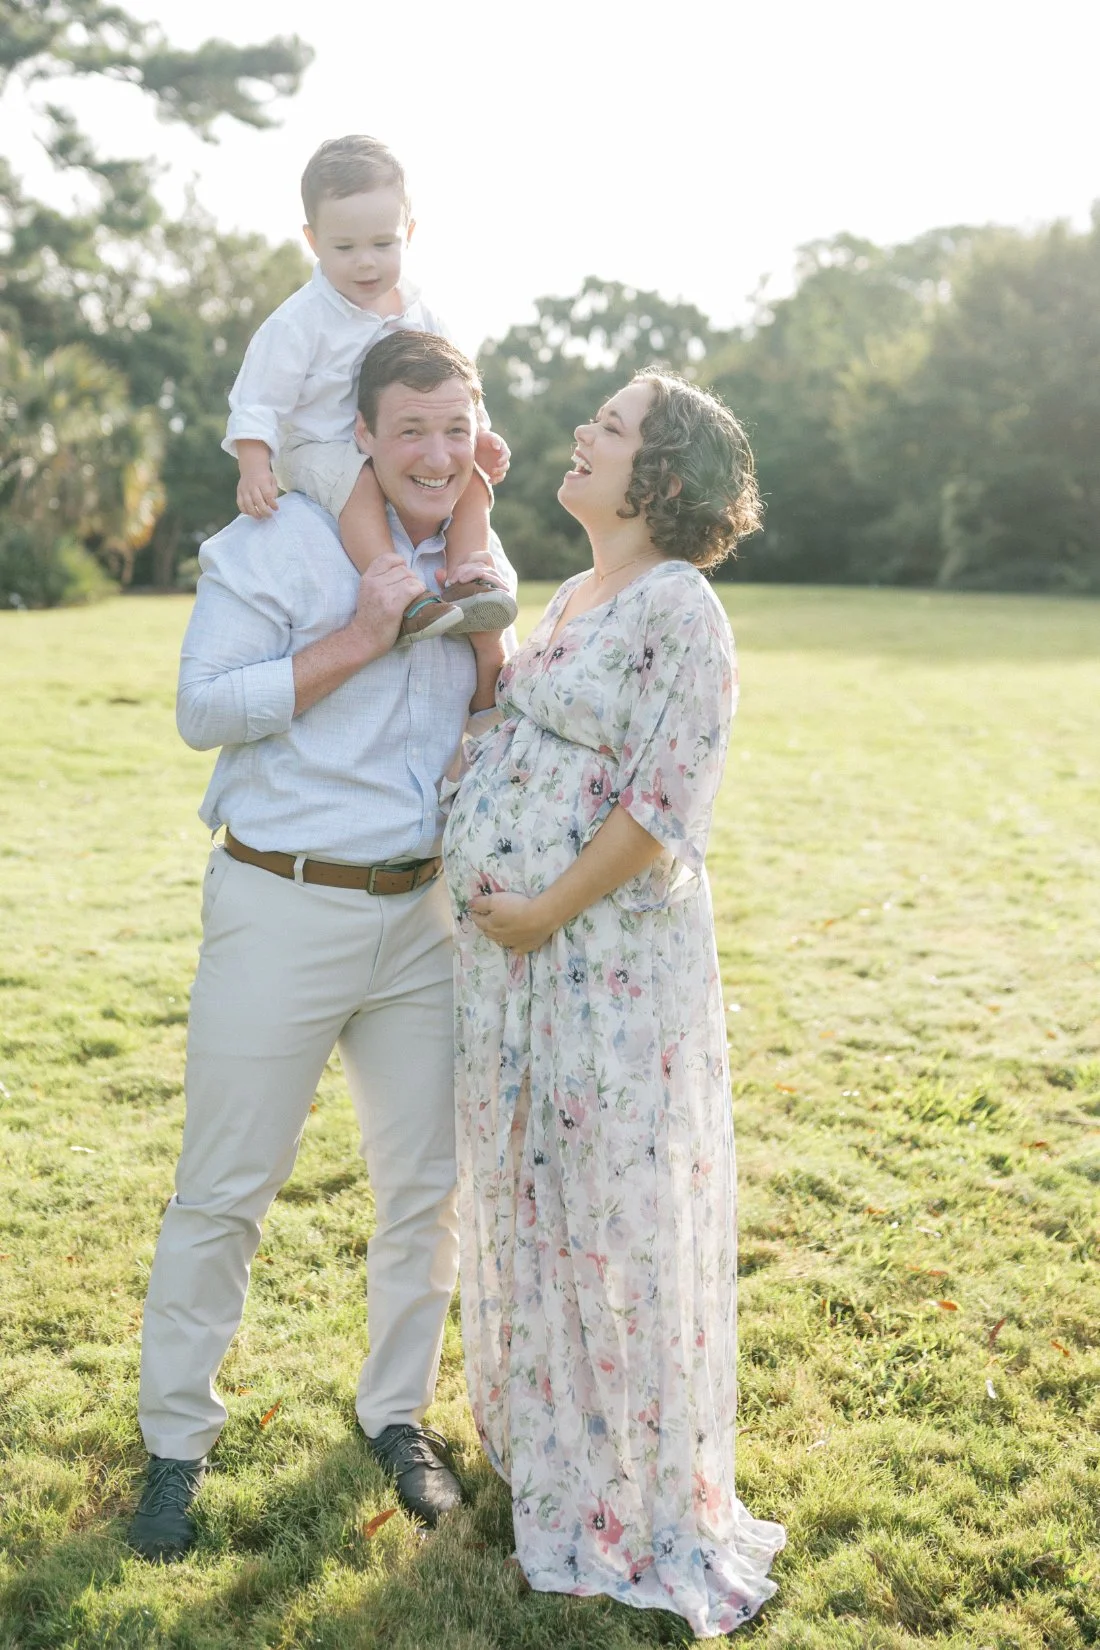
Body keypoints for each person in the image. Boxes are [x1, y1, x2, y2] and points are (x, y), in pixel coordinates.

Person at [128, 331, 515, 1563]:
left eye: (455, 428)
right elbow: (201, 708)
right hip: (281, 903)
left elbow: (487, 719)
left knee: (424, 1189)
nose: (435, 454)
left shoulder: (476, 558)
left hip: (423, 919)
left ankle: (395, 1416)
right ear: (360, 434)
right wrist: (357, 634)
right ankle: (175, 1445)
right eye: (410, 429)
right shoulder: (270, 545)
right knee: (225, 1193)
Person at [443, 370, 785, 1636]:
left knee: (609, 1211)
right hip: (516, 974)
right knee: (531, 1193)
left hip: (600, 968)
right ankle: (555, 1451)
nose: (582, 435)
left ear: (662, 479)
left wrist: (540, 911)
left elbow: (661, 805)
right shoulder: (578, 589)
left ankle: (630, 1493)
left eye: (611, 427)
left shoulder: (681, 609)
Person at [224, 133, 517, 643]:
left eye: (383, 244)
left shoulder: (421, 310)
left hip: (395, 445)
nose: (366, 262)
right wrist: (254, 465)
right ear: (313, 240)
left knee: (470, 479)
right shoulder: (299, 322)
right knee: (357, 479)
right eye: (345, 247)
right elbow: (258, 399)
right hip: (319, 446)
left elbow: (458, 384)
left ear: (409, 232)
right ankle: (400, 593)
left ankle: (473, 578)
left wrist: (479, 435)